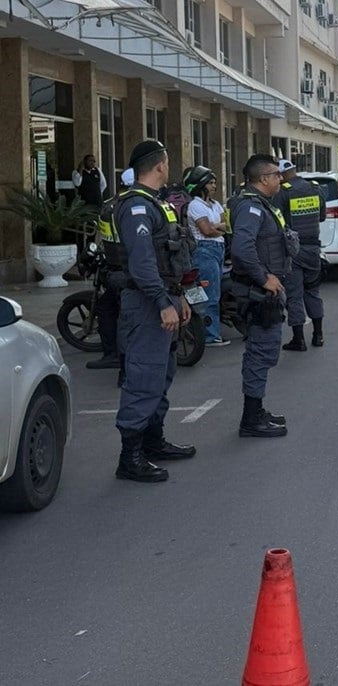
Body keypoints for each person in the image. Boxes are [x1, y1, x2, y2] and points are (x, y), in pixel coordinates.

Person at [113, 140, 196, 483]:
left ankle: (153, 442)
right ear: (159, 165)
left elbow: (168, 260)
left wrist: (181, 297)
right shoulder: (135, 206)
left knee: (161, 375)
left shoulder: (155, 204)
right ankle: (130, 458)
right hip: (147, 303)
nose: (169, 166)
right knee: (144, 377)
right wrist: (164, 303)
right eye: (167, 160)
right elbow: (143, 264)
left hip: (165, 297)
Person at [229, 154, 296, 438]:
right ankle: (251, 418)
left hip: (264, 290)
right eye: (275, 174)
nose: (280, 179)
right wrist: (264, 278)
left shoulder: (261, 205)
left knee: (264, 352)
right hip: (257, 293)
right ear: (263, 179)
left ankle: (256, 411)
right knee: (259, 353)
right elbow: (242, 249)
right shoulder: (251, 208)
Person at [272, 159, 326, 350]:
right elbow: (321, 216)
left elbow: (276, 220)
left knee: (294, 294)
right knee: (313, 291)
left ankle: (299, 339)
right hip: (314, 249)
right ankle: (318, 335)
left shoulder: (284, 191)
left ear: (282, 175)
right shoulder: (314, 187)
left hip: (294, 250)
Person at [88, 167, 136, 372]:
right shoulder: (144, 203)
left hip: (117, 267)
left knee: (108, 308)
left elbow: (103, 238)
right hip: (138, 266)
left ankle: (113, 355)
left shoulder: (109, 206)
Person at [184, 165, 229, 346]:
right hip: (204, 251)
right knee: (210, 295)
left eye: (214, 183)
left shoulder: (215, 204)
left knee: (213, 293)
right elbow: (207, 230)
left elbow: (226, 225)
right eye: (210, 183)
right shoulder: (195, 205)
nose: (214, 186)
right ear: (200, 185)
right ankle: (210, 336)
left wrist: (215, 227)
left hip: (218, 250)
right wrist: (217, 227)